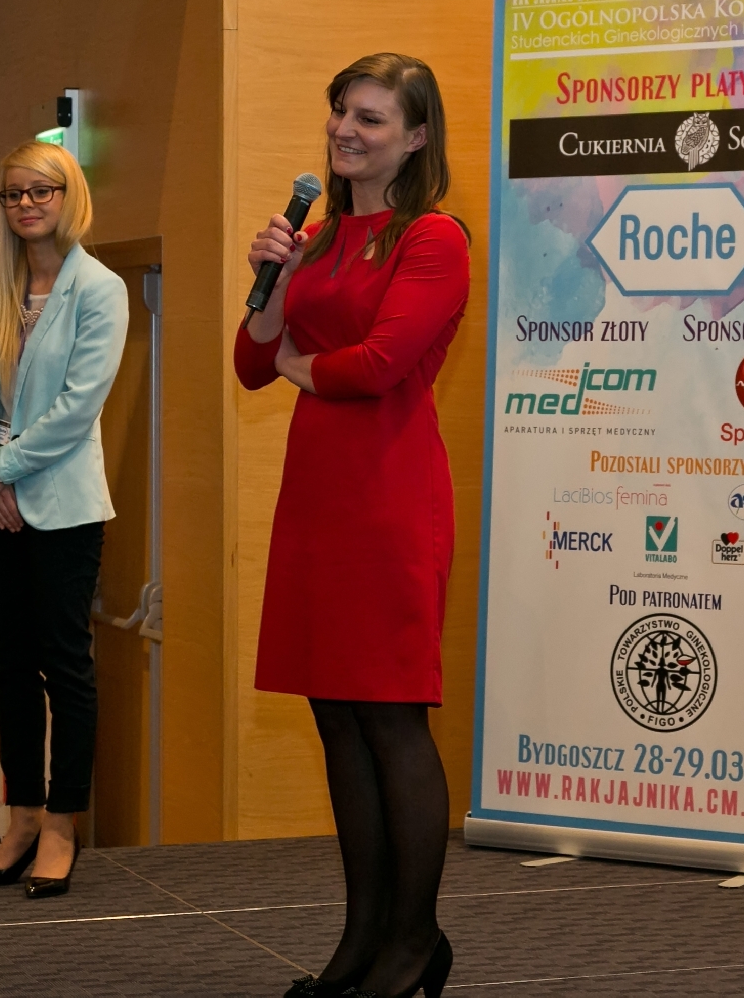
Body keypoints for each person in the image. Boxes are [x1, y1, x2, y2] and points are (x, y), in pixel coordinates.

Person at [235, 53, 470, 998]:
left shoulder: (434, 238)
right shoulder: (316, 236)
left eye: (371, 117)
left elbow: (376, 366)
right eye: (341, 110)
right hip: (318, 496)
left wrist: (301, 364)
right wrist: (274, 282)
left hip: (389, 495)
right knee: (336, 716)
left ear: (415, 137)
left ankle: (414, 944)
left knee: (391, 716)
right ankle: (361, 939)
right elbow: (251, 361)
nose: (346, 128)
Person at [0, 141, 127, 898]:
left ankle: (62, 823)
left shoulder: (101, 289)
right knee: (10, 670)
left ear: (68, 195)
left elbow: (77, 408)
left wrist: (2, 468)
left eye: (40, 191)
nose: (25, 204)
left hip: (63, 510)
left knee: (66, 669)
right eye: (13, 194)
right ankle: (22, 816)